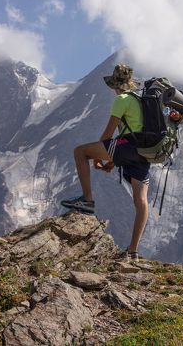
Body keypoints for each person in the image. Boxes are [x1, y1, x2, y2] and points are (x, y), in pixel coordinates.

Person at [61, 64, 151, 260]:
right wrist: (112, 161)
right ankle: (133, 251)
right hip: (144, 153)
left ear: (115, 85)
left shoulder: (122, 99)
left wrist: (98, 158)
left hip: (127, 146)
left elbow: (108, 135)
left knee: (80, 152)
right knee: (141, 201)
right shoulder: (140, 101)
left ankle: (87, 201)